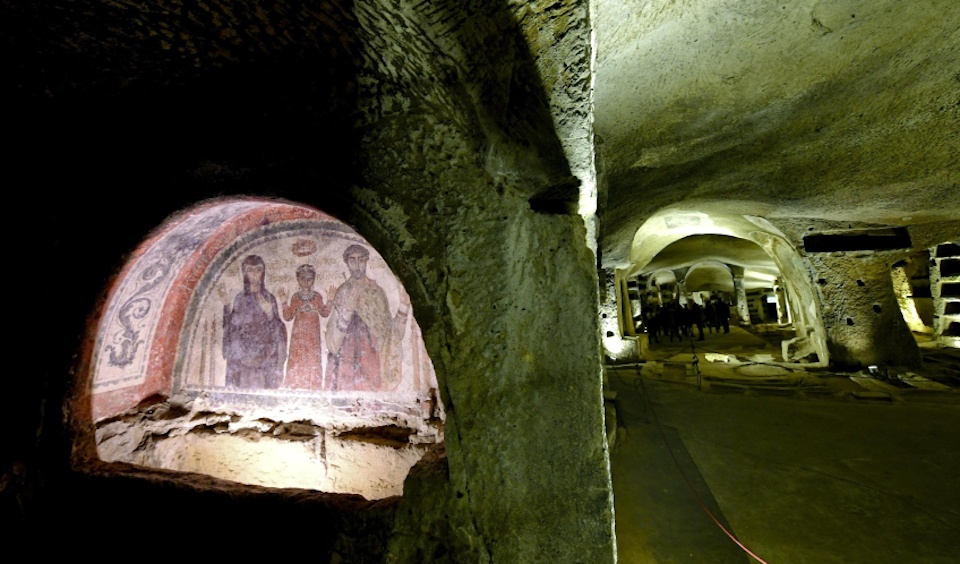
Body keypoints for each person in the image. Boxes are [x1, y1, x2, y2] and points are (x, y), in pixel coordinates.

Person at [324, 244, 409, 392]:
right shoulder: (343, 291)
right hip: (348, 364)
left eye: (361, 260)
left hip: (373, 363)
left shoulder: (377, 292)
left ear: (366, 261)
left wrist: (403, 306)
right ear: (346, 263)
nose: (357, 265)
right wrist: (347, 310)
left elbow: (390, 335)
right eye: (352, 260)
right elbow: (332, 342)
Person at [221, 255, 287, 389]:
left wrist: (269, 313)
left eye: (258, 270)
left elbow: (278, 329)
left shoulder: (269, 298)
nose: (254, 274)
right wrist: (226, 306)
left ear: (263, 273)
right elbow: (231, 327)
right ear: (245, 273)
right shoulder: (240, 298)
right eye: (250, 270)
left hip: (263, 354)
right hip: (243, 353)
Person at [278, 264, 328, 390]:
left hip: (312, 335)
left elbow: (324, 313)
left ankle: (313, 385)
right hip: (298, 336)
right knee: (297, 357)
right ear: (298, 280)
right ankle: (295, 384)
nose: (306, 282)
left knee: (312, 358)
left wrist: (331, 300)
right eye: (303, 278)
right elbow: (288, 316)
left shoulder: (317, 297)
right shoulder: (296, 297)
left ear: (313, 279)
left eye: (309, 278)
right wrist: (284, 302)